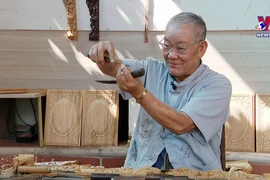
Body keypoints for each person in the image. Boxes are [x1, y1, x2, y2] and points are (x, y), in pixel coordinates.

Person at [87, 12, 232, 171]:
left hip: (194, 174)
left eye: (181, 48)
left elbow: (180, 124)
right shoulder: (152, 69)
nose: (171, 55)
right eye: (167, 45)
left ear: (201, 48)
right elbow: (114, 68)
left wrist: (140, 94)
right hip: (142, 171)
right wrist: (102, 55)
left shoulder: (217, 85)